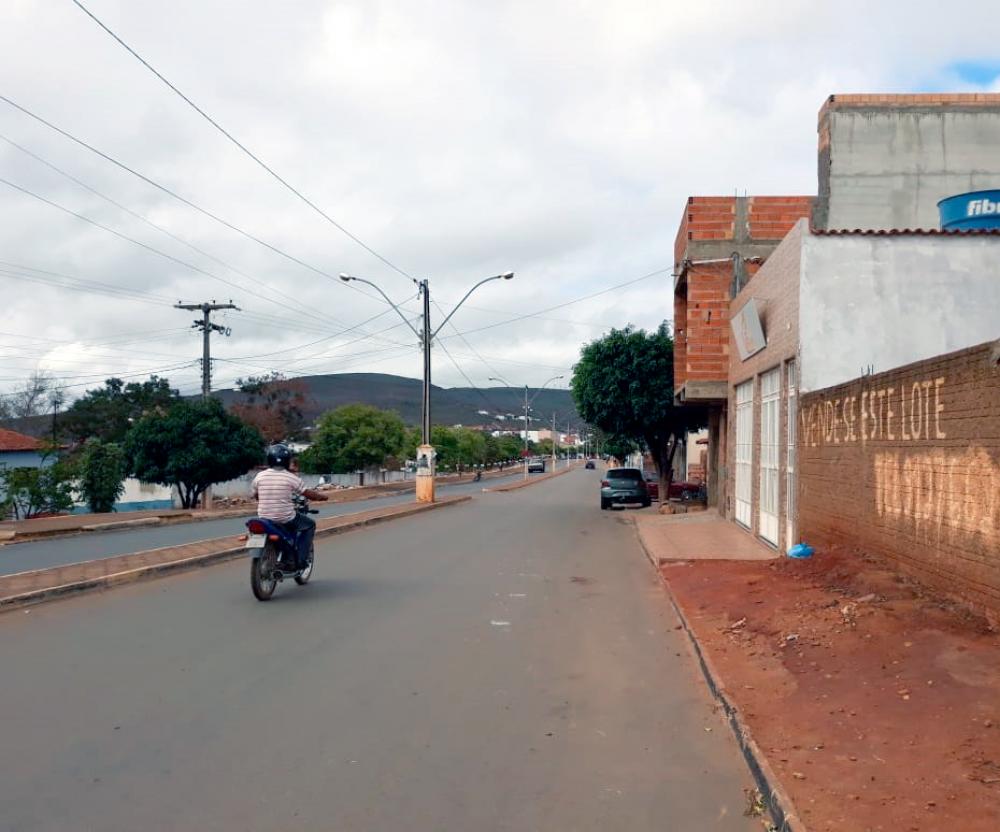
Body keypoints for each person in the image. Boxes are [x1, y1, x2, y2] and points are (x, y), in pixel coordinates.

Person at [252, 444, 328, 568]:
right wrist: (322, 497)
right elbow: (307, 493)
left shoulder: (259, 476)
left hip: (264, 517)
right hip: (285, 518)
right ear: (287, 461)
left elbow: (256, 495)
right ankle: (300, 561)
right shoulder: (291, 477)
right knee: (309, 525)